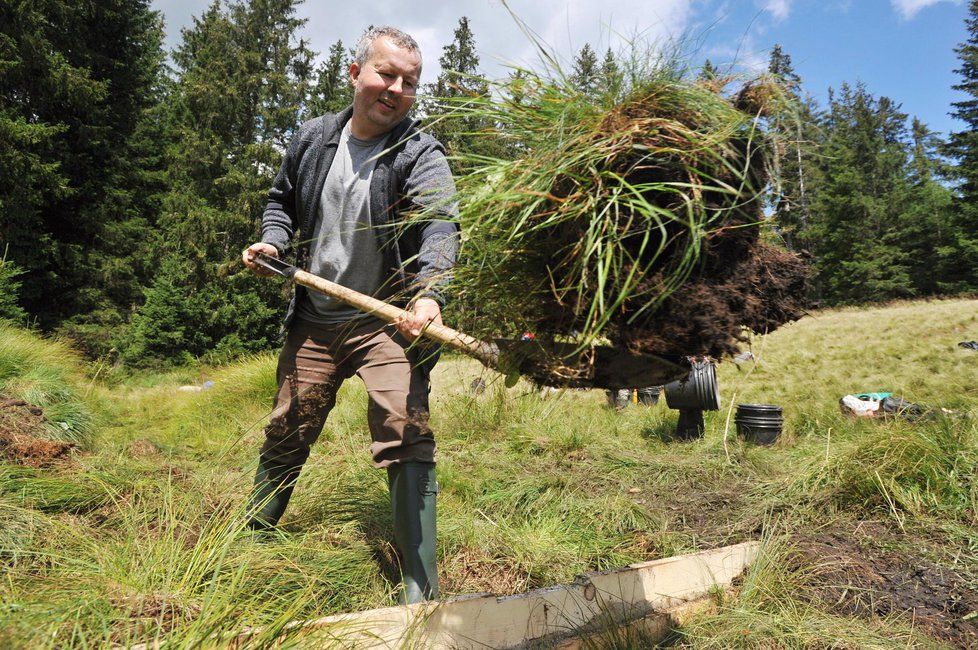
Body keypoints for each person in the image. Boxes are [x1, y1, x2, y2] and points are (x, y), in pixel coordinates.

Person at [241, 25, 458, 604]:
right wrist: (273, 242)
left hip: (385, 318)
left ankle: (420, 588)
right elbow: (281, 201)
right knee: (289, 427)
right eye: (386, 74)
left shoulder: (418, 151)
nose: (396, 88)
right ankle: (251, 537)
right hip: (314, 316)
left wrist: (429, 293)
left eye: (409, 82)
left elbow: (440, 221)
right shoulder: (313, 138)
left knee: (405, 427)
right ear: (355, 74)